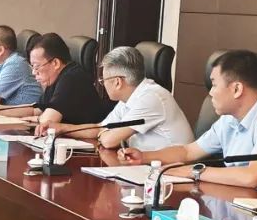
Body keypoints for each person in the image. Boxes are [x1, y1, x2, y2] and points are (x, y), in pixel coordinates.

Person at [117, 50, 257, 190]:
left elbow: (252, 177)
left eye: (214, 85)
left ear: (236, 89)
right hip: (240, 199)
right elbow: (188, 152)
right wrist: (144, 157)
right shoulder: (230, 119)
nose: (210, 93)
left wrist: (193, 171)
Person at [47, 46, 193, 150]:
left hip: (172, 172)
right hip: (146, 165)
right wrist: (62, 128)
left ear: (117, 82)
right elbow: (100, 128)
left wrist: (105, 133)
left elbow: (109, 141)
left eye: (103, 81)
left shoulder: (151, 98)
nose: (102, 84)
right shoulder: (130, 97)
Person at [0, 33, 109, 128]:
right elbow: (36, 110)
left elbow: (47, 122)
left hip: (87, 143)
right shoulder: (57, 76)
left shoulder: (71, 79)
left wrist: (38, 118)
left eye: (36, 66)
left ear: (55, 63)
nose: (33, 72)